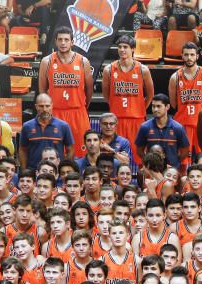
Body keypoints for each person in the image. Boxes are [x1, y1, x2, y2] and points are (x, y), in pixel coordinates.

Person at [39, 26, 93, 158]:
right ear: (56, 42)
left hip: (77, 112)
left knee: (80, 154)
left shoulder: (83, 61)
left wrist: (83, 106)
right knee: (53, 154)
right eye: (60, 40)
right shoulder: (47, 61)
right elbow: (42, 91)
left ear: (72, 42)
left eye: (66, 40)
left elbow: (89, 89)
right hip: (55, 112)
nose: (63, 43)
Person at [101, 36, 154, 160]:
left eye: (125, 47)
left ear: (133, 49)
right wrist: (116, 104)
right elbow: (106, 94)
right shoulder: (108, 69)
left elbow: (150, 94)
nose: (122, 50)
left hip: (136, 119)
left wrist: (140, 107)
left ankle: (141, 179)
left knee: (140, 156)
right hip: (116, 119)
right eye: (119, 47)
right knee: (115, 155)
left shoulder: (143, 69)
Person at [169, 42, 202, 155]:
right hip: (182, 124)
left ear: (197, 56)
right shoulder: (175, 77)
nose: (189, 58)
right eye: (186, 55)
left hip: (200, 124)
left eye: (192, 55)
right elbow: (173, 104)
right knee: (183, 161)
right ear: (182, 56)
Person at [18, 94, 73, 173]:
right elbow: (22, 150)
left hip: (56, 172)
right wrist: (24, 170)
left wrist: (64, 169)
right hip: (33, 172)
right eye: (41, 106)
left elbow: (70, 150)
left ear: (52, 106)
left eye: (47, 106)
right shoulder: (27, 126)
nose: (45, 109)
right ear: (36, 107)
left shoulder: (63, 126)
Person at [135, 94, 192, 170]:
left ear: (167, 107)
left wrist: (175, 162)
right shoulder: (145, 127)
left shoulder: (178, 128)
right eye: (153, 106)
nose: (155, 109)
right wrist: (149, 161)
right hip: (152, 171)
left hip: (171, 171)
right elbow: (139, 150)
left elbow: (185, 151)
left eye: (158, 106)